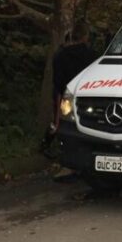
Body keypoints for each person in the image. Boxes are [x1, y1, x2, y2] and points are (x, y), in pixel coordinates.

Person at [42, 21, 97, 161]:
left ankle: (47, 145)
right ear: (85, 36)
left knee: (58, 120)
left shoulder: (61, 55)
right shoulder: (91, 55)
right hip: (84, 94)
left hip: (64, 93)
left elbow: (58, 79)